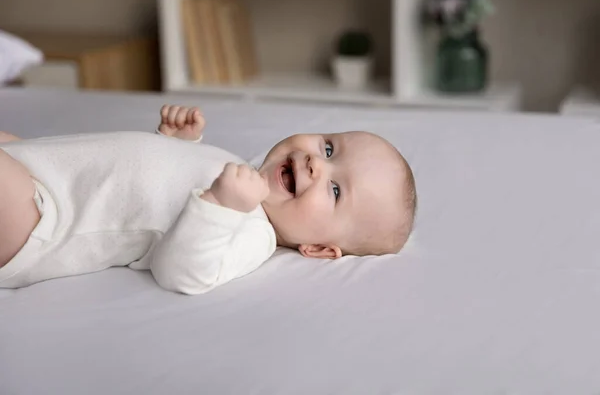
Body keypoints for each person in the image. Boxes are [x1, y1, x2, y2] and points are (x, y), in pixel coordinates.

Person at [0, 104, 417, 294]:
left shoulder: (253, 230)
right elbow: (152, 184)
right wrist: (178, 145)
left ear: (319, 249)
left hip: (44, 221)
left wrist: (220, 206)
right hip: (45, 169)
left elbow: (182, 272)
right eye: (329, 148)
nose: (315, 164)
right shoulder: (240, 169)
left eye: (336, 190)